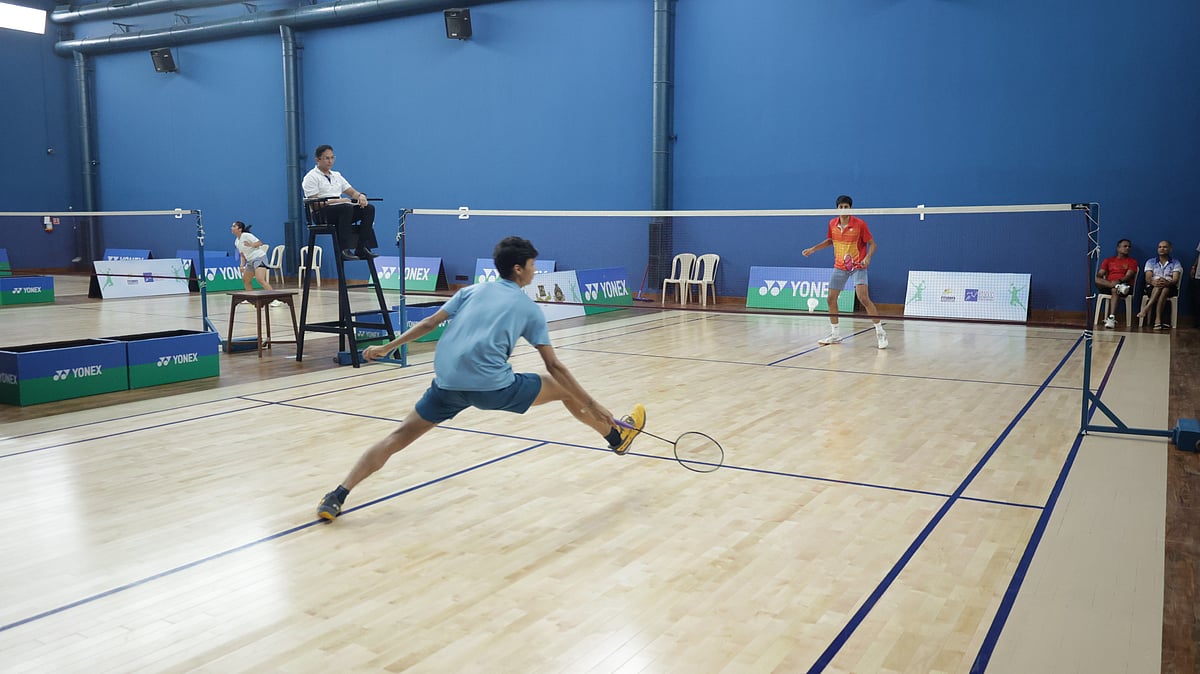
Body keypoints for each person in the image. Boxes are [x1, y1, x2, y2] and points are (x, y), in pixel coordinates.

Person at [316, 236, 646, 521]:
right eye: (532, 265)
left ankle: (337, 495)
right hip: (493, 389)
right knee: (564, 390)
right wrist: (593, 403)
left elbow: (430, 323)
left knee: (397, 437)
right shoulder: (529, 309)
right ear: (518, 269)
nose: (535, 270)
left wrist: (388, 346)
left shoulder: (471, 291)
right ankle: (615, 436)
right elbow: (556, 366)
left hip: (446, 384)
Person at [801, 195, 888, 349]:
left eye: (846, 207)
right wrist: (813, 249)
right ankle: (835, 334)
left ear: (850, 208)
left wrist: (868, 257)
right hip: (840, 266)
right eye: (841, 207)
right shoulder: (832, 223)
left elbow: (873, 244)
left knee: (863, 298)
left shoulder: (860, 224)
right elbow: (830, 240)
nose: (843, 209)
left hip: (857, 266)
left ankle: (880, 331)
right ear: (837, 209)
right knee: (830, 299)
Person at [301, 144, 379, 261]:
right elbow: (315, 204)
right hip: (323, 214)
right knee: (346, 207)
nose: (330, 161)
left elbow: (352, 192)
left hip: (343, 211)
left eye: (332, 158)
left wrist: (361, 196)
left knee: (369, 209)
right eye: (327, 158)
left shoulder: (337, 175)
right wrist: (339, 200)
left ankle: (362, 248)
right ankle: (344, 249)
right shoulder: (311, 177)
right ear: (318, 159)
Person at [1137, 240, 1183, 329]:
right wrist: (1154, 282)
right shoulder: (1150, 262)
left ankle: (1146, 309)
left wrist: (1167, 282)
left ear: (1170, 249)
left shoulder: (1175, 262)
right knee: (1160, 287)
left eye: (1165, 247)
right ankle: (1158, 319)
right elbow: (1148, 278)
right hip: (1153, 286)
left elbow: (1175, 279)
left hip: (1170, 286)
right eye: (1160, 247)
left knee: (1165, 288)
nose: (1162, 249)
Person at [1095, 238, 1139, 328]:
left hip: (1125, 285)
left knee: (1115, 290)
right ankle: (1116, 286)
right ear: (1118, 248)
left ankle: (1111, 318)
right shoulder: (1108, 260)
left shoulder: (1132, 261)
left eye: (1129, 247)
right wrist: (1097, 274)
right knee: (1095, 279)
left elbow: (1128, 276)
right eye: (1125, 246)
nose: (1127, 248)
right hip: (1110, 284)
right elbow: (1100, 274)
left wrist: (1119, 281)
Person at [231, 221, 273, 291]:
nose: (231, 228)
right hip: (250, 261)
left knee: (260, 279)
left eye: (234, 226)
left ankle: (274, 299)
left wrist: (251, 245)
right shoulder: (236, 242)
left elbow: (260, 243)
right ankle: (251, 299)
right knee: (246, 280)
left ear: (240, 229)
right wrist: (241, 265)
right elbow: (242, 255)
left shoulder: (246, 235)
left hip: (259, 258)